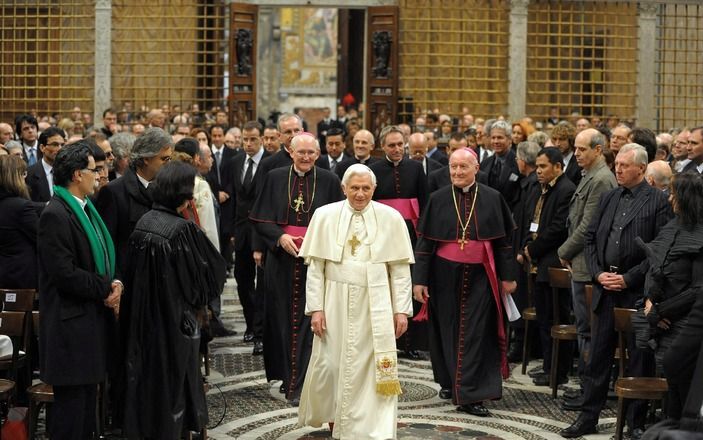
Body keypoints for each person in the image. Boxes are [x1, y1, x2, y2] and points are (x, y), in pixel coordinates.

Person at [561, 144, 673, 439]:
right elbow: (590, 238)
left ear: (641, 168)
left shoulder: (658, 202)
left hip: (634, 290)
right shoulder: (610, 196)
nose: (618, 169)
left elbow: (659, 250)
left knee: (638, 358)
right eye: (617, 165)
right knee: (596, 356)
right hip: (604, 287)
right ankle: (588, 417)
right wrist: (598, 273)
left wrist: (627, 278)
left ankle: (634, 422)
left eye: (624, 165)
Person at [297, 164, 414, 439]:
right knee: (332, 363)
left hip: (376, 301)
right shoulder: (324, 216)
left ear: (374, 189)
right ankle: (336, 420)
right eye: (354, 188)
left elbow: (400, 270)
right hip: (334, 300)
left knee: (372, 367)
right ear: (344, 188)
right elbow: (316, 269)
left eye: (365, 188)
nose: (360, 194)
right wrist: (316, 309)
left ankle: (371, 428)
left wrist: (401, 311)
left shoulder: (391, 218)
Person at [121, 161, 226, 439]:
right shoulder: (182, 230)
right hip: (174, 322)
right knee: (174, 390)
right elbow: (209, 280)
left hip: (144, 323)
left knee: (150, 386)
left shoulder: (145, 221)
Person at [413, 148, 516, 416]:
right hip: (443, 275)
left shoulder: (493, 198)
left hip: (482, 275)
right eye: (453, 167)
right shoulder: (437, 198)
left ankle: (471, 394)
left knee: (476, 332)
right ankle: (450, 381)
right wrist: (419, 281)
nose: (457, 172)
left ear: (476, 168)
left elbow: (504, 243)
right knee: (446, 328)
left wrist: (508, 277)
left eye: (463, 167)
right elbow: (425, 243)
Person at [249, 132, 343, 405]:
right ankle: (288, 378)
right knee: (280, 321)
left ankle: (303, 383)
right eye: (300, 152)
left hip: (316, 262)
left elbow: (337, 221)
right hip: (280, 261)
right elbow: (258, 218)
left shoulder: (330, 180)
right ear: (290, 152)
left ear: (318, 154)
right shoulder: (275, 177)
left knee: (310, 321)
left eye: (311, 153)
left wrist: (316, 243)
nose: (306, 158)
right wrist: (279, 237)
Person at [37, 142, 122, 439]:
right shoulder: (55, 214)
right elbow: (65, 274)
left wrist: (115, 282)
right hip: (69, 330)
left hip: (88, 325)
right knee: (70, 416)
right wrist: (105, 287)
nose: (99, 175)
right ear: (76, 175)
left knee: (87, 411)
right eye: (92, 169)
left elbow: (104, 257)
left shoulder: (85, 209)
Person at [558, 128, 617, 408]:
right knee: (583, 329)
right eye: (577, 149)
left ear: (598, 149)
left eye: (582, 150)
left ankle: (590, 391)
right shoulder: (590, 176)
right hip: (579, 263)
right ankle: (585, 386)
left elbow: (588, 226)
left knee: (588, 332)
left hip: (586, 264)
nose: (577, 154)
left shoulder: (602, 179)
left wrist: (564, 250)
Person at [639, 173, 703, 417]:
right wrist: (649, 302)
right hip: (661, 322)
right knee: (670, 387)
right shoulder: (672, 226)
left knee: (683, 392)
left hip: (687, 324)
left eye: (674, 194)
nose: (669, 199)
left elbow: (698, 288)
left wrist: (661, 310)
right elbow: (653, 267)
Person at [370, 125, 428, 359]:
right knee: (383, 287)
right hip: (382, 235)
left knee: (407, 285)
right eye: (391, 145)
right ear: (382, 146)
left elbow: (425, 204)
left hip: (411, 235)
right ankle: (382, 338)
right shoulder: (372, 170)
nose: (397, 149)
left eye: (400, 145)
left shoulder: (415, 169)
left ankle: (409, 343)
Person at [518, 148, 576, 386]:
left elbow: (557, 228)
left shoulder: (565, 189)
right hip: (539, 263)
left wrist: (533, 250)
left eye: (543, 166)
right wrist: (525, 246)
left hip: (552, 263)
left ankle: (558, 370)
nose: (538, 171)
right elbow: (532, 221)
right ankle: (547, 366)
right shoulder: (540, 188)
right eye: (538, 166)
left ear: (558, 167)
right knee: (544, 319)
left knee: (555, 318)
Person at [228, 121, 269, 355]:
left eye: (253, 139)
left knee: (261, 283)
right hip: (242, 231)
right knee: (242, 279)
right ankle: (251, 323)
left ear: (261, 139)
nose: (248, 143)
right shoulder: (235, 162)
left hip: (262, 231)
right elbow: (235, 198)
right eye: (245, 139)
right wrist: (232, 231)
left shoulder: (269, 163)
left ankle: (260, 330)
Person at [0, 155, 41, 289]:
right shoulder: (22, 207)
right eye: (23, 174)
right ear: (15, 177)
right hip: (22, 278)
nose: (25, 178)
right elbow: (42, 239)